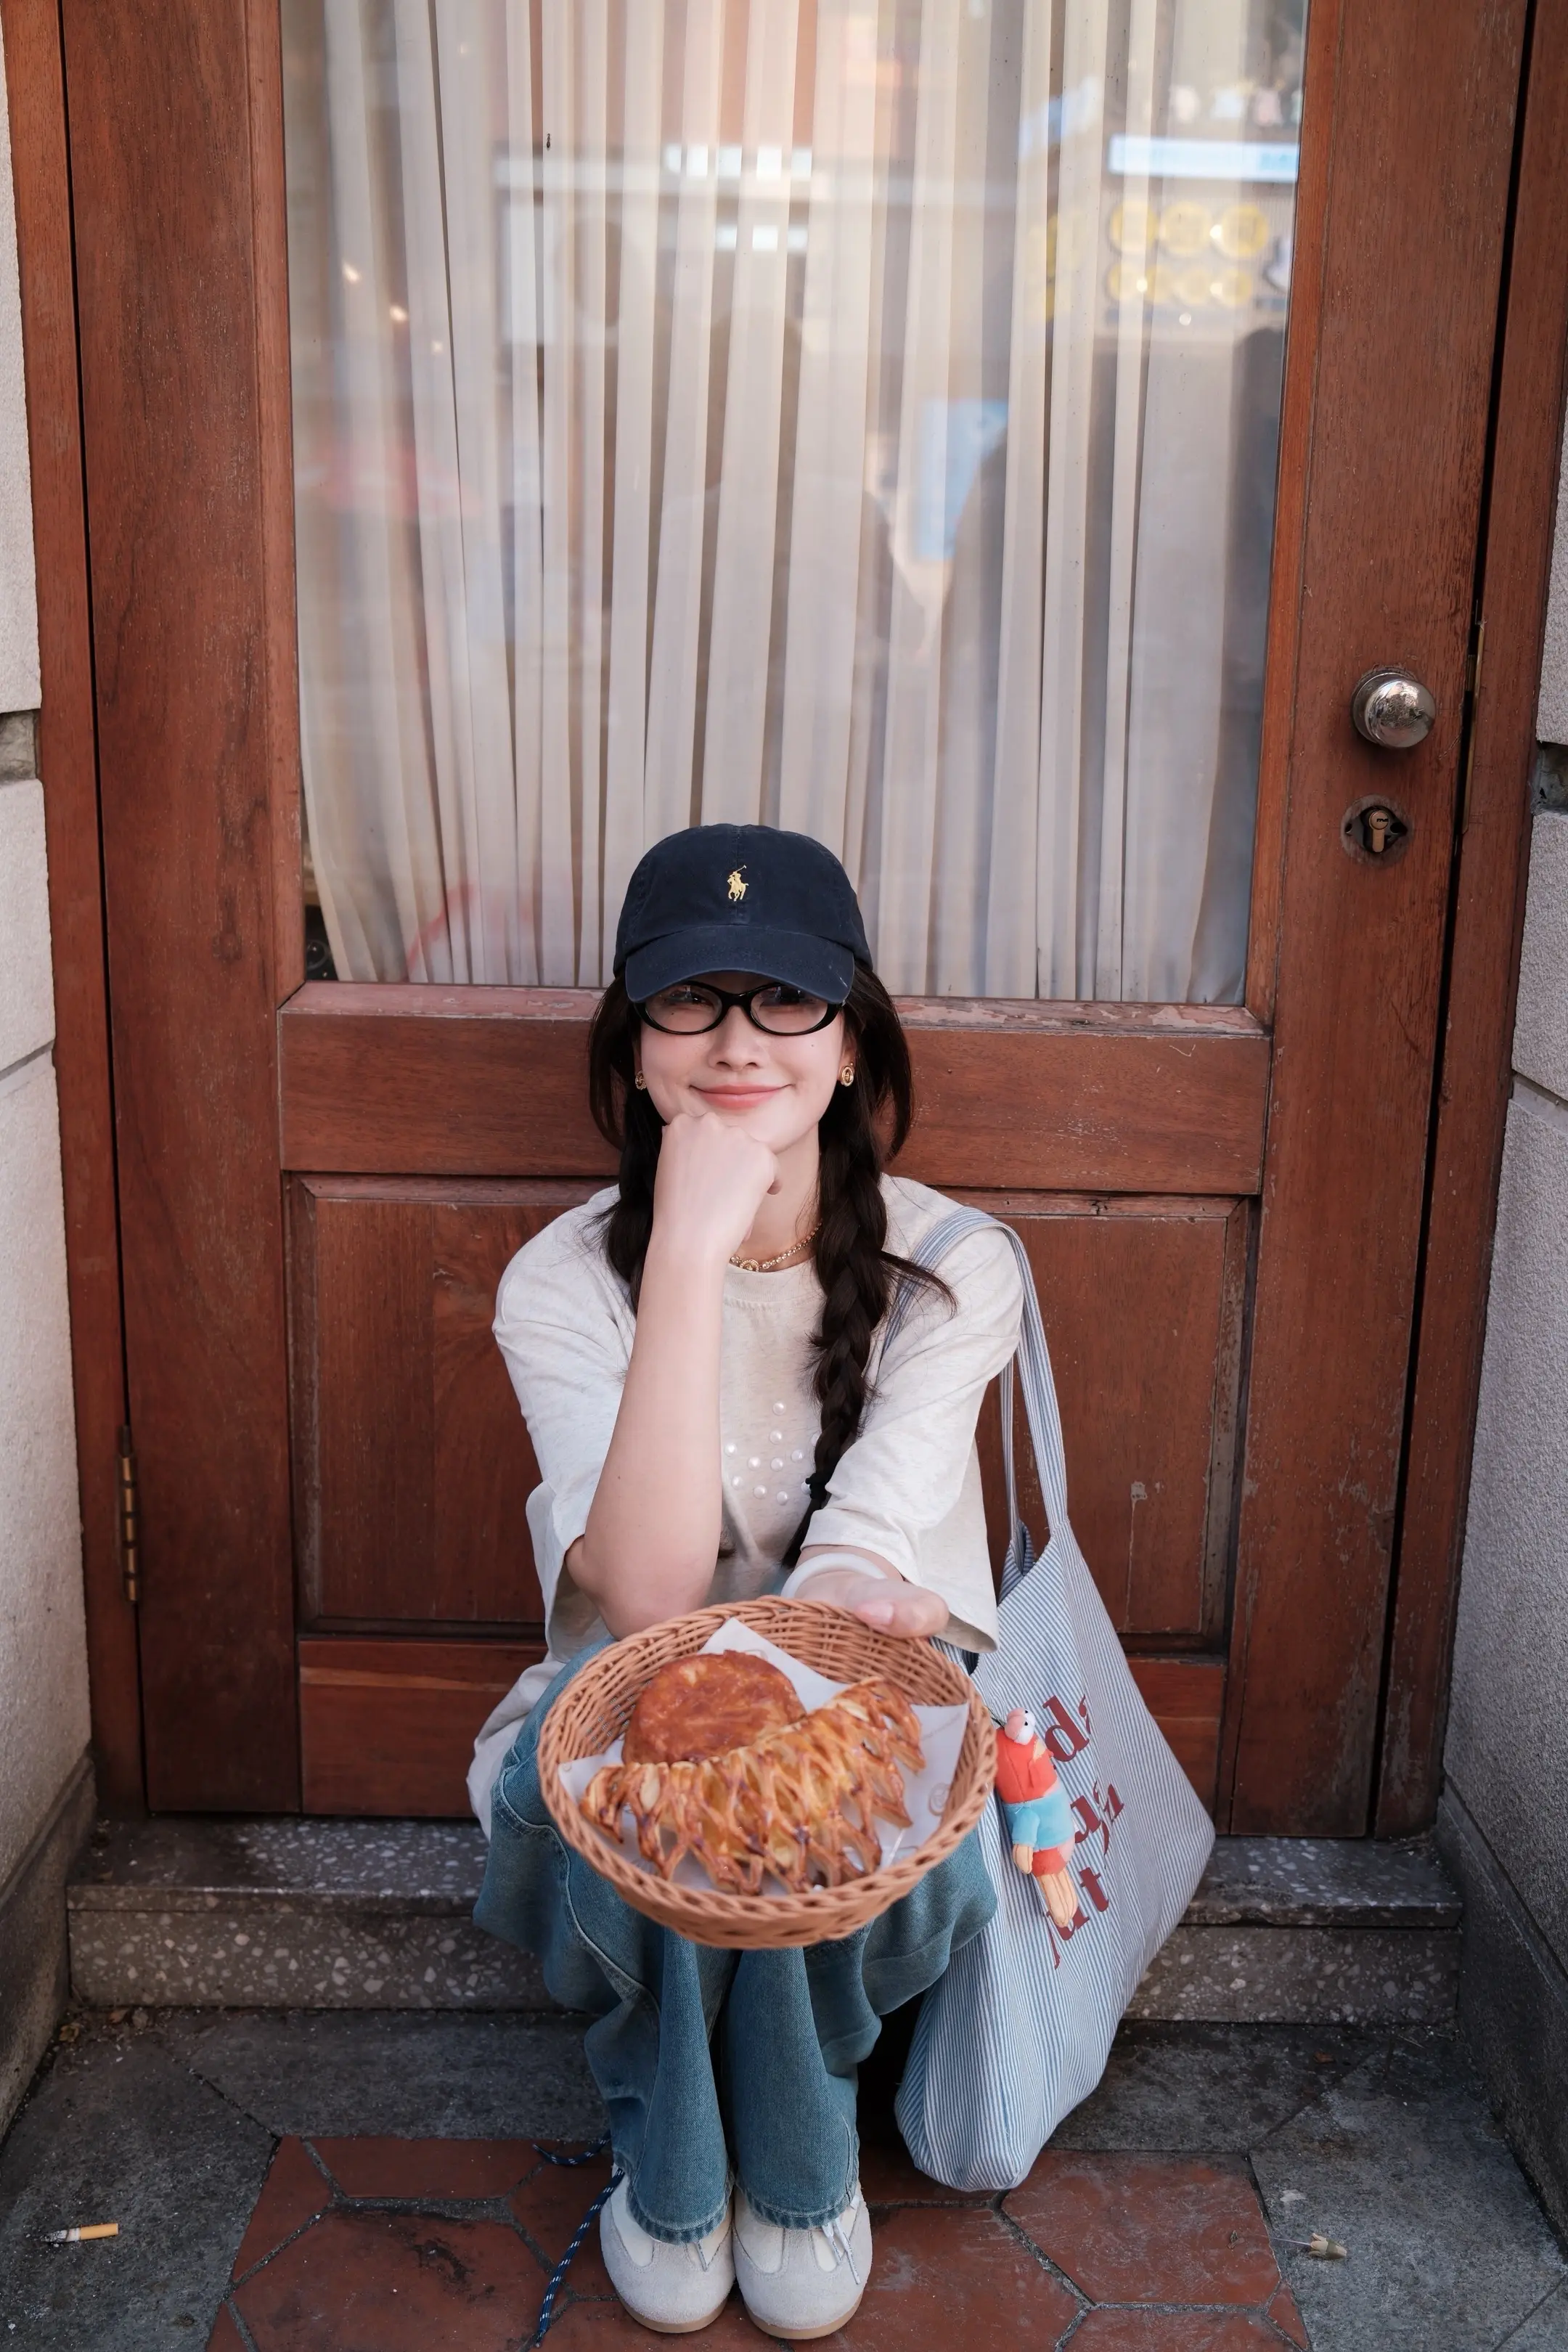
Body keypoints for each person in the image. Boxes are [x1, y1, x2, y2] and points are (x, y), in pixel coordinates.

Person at [470, 822, 1022, 2338]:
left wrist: (860, 1622)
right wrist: (688, 1258)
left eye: (782, 1001)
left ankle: (776, 2153)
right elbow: (649, 1602)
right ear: (634, 1045)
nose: (734, 1043)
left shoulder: (960, 1264)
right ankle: (700, 2152)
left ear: (849, 1042)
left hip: (869, 1693)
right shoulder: (561, 1280)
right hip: (613, 1722)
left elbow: (859, 1549)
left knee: (792, 1822)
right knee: (654, 1802)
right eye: (689, 1001)